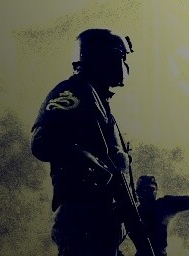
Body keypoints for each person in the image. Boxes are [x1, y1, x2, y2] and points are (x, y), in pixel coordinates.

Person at [31, 28, 140, 256]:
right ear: (104, 59)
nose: (123, 65)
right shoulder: (74, 92)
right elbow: (42, 141)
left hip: (101, 226)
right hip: (83, 223)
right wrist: (95, 167)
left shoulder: (99, 102)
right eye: (120, 57)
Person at [134, 175, 189, 256]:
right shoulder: (134, 211)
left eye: (151, 189)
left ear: (156, 190)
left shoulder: (163, 205)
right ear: (138, 192)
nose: (148, 193)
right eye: (145, 189)